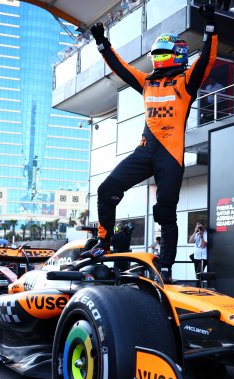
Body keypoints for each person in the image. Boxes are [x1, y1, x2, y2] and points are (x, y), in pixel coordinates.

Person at [79, 1, 219, 285]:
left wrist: (211, 26)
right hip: (145, 150)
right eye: (156, 54)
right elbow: (121, 68)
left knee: (164, 211)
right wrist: (102, 43)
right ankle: (103, 242)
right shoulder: (147, 82)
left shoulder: (186, 81)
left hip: (170, 154)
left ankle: (165, 265)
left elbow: (206, 59)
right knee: (107, 190)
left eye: (162, 54)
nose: (156, 58)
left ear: (176, 55)